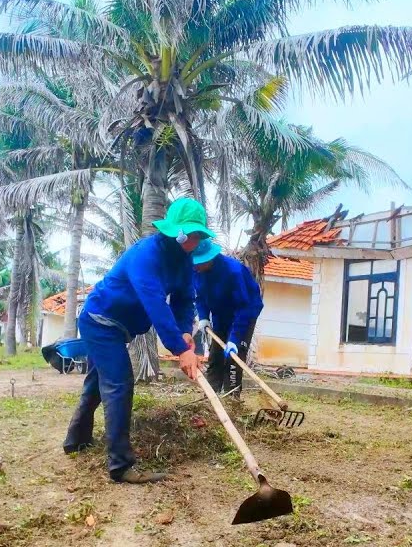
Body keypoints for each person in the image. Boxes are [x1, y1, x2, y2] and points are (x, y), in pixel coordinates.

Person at [62, 197, 213, 484]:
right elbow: (155, 304)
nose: (193, 242)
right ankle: (120, 466)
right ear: (174, 231)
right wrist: (181, 350)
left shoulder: (183, 261)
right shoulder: (146, 256)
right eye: (189, 235)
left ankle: (75, 440)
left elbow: (184, 300)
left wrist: (183, 331)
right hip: (100, 321)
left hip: (120, 328)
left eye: (198, 236)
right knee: (119, 383)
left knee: (98, 383)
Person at [191, 241, 263, 395]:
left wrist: (235, 339)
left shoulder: (234, 272)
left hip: (244, 314)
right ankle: (211, 398)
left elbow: (244, 307)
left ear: (209, 259)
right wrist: (203, 317)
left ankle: (232, 400)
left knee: (233, 358)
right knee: (215, 356)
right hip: (220, 314)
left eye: (198, 262)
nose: (195, 266)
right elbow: (200, 297)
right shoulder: (197, 271)